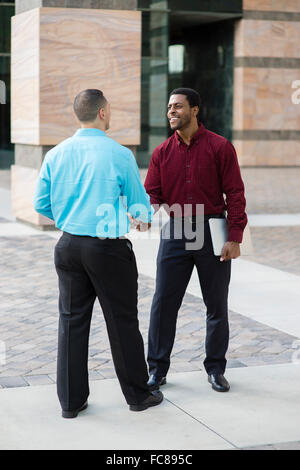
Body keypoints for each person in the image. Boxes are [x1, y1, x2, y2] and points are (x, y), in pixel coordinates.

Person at [33, 89, 163, 418]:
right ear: (103, 113)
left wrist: (68, 216)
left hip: (68, 246)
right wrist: (143, 218)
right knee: (122, 322)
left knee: (71, 322)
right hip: (107, 249)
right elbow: (139, 207)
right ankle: (137, 396)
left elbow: (40, 204)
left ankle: (71, 403)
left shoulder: (56, 154)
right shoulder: (118, 154)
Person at [145, 88, 247, 393]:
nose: (171, 112)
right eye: (169, 108)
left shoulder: (220, 147)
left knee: (216, 304)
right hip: (176, 229)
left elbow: (236, 193)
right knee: (164, 303)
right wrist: (145, 211)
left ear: (195, 110)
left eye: (178, 107)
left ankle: (216, 368)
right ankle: (157, 370)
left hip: (211, 229)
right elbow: (152, 192)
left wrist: (235, 236)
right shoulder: (161, 152)